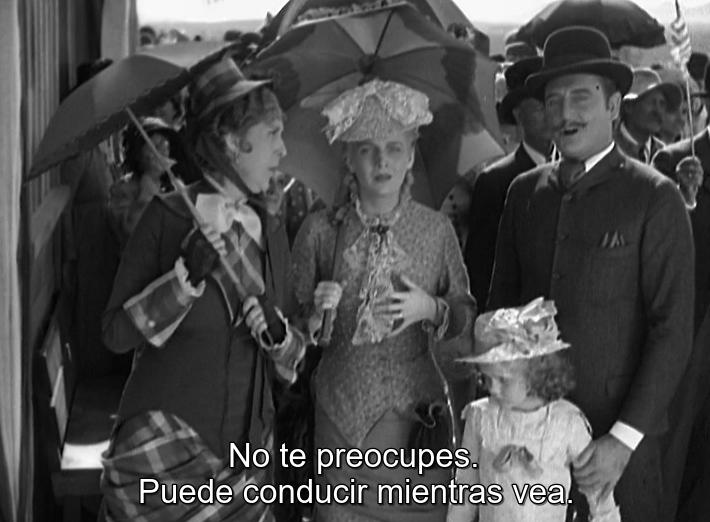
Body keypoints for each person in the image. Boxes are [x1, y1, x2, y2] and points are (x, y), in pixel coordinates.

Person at [488, 27, 695, 522]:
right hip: (530, 456)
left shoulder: (654, 196)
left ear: (614, 105)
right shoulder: (523, 194)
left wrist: (622, 441)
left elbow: (672, 331)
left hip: (619, 455)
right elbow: (499, 308)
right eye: (553, 101)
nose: (565, 113)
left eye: (580, 97)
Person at [100, 58, 306, 521]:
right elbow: (114, 334)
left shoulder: (269, 227)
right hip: (162, 461)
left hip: (248, 465)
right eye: (273, 134)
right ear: (233, 142)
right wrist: (184, 279)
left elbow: (292, 359)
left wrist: (278, 335)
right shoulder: (167, 218)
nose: (282, 149)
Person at [291, 78, 476, 521]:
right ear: (348, 158)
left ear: (411, 155)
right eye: (367, 149)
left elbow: (466, 315)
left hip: (416, 420)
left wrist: (431, 309)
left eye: (394, 148)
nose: (382, 161)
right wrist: (315, 316)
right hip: (340, 413)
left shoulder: (436, 230)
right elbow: (288, 328)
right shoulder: (320, 231)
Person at [447, 297, 620, 522]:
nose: (493, 388)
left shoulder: (566, 422)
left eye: (503, 380)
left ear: (535, 374)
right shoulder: (481, 416)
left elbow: (598, 494)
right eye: (486, 378)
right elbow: (465, 485)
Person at [464, 56, 552, 309]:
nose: (550, 115)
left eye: (553, 104)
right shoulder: (496, 181)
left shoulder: (578, 172)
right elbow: (481, 268)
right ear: (518, 114)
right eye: (539, 108)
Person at [613, 68, 681, 164]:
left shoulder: (665, 155)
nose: (658, 111)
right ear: (629, 107)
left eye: (662, 104)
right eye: (651, 102)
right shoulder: (607, 149)